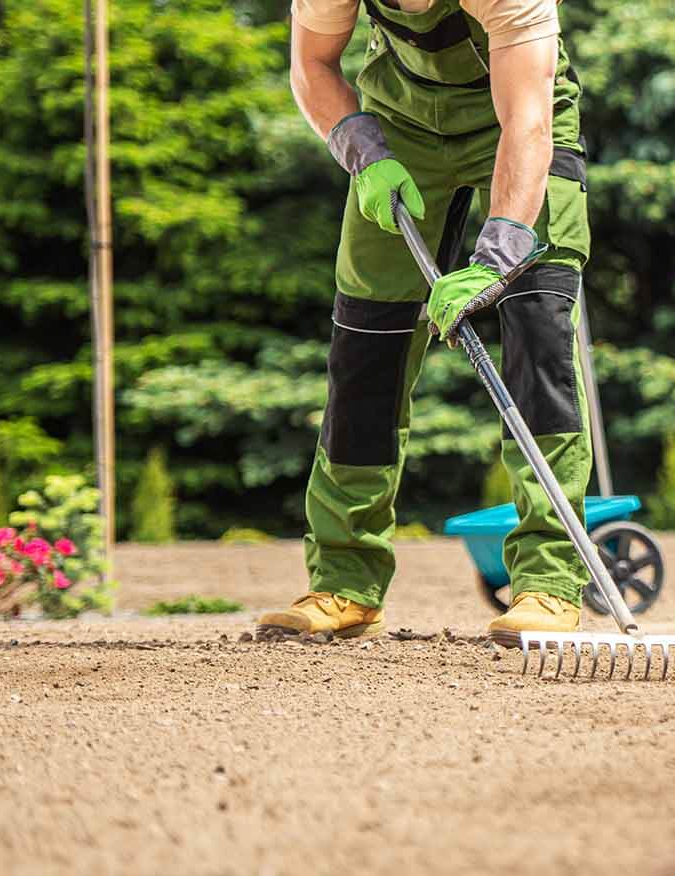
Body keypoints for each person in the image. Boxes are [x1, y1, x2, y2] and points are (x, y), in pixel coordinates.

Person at [257, 0, 593, 645]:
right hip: (399, 130)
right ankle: (345, 583)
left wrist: (501, 250)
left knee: (538, 341)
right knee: (365, 351)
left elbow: (527, 117)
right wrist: (357, 144)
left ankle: (549, 584)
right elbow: (312, 64)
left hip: (520, 128)